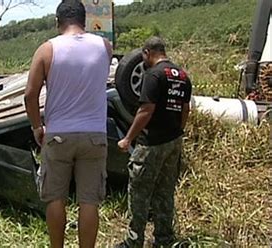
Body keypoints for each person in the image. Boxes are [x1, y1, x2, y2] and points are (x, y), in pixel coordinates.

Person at [24, 1, 112, 247]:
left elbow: (30, 94)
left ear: (57, 22)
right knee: (89, 201)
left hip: (59, 133)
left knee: (55, 198)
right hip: (95, 134)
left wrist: (36, 127)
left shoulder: (47, 49)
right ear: (84, 20)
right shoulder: (105, 46)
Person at [115, 36, 192, 248]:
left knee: (139, 192)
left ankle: (133, 242)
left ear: (148, 52)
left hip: (151, 144)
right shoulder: (182, 75)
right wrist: (179, 132)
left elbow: (146, 110)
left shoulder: (154, 75)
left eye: (143, 56)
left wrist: (128, 138)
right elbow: (185, 109)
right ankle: (164, 240)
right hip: (173, 142)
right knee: (165, 192)